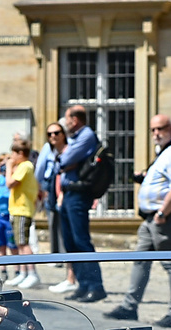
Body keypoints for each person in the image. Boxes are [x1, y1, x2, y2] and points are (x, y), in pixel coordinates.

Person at [107, 114, 171, 325]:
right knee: (140, 260)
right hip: (152, 217)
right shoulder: (163, 152)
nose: (156, 133)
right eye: (153, 130)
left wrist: (163, 214)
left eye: (160, 129)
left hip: (167, 216)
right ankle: (129, 306)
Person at [56, 104, 105, 302]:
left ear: (75, 120)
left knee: (81, 241)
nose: (65, 122)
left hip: (78, 194)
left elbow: (64, 158)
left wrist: (64, 159)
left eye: (67, 118)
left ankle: (95, 286)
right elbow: (62, 160)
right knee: (70, 242)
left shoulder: (86, 135)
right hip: (68, 194)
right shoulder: (75, 138)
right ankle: (83, 284)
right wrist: (64, 160)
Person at [37, 123, 75, 294]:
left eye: (56, 132)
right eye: (49, 133)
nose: (53, 136)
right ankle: (68, 273)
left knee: (69, 237)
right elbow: (41, 170)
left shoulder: (69, 150)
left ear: (63, 134)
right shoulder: (50, 150)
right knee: (55, 227)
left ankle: (72, 277)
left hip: (66, 195)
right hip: (53, 191)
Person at [4, 139, 41, 289]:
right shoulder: (23, 166)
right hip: (17, 209)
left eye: (14, 152)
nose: (12, 156)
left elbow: (10, 183)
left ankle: (32, 273)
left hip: (22, 209)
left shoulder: (25, 166)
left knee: (24, 243)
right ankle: (23, 273)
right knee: (19, 243)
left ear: (21, 153)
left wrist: (8, 167)